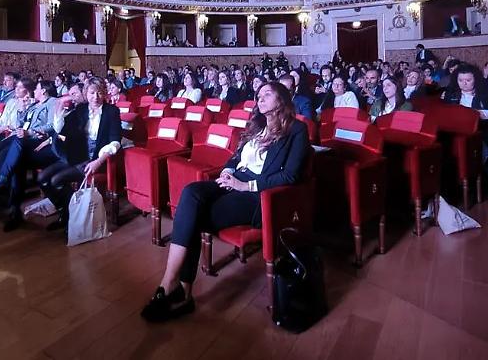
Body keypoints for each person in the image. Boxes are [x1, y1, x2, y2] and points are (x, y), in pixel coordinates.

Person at [141, 82, 309, 322]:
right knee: (191, 193)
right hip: (235, 180)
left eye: (267, 94)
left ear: (282, 99)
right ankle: (173, 285)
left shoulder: (296, 130)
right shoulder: (257, 126)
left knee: (193, 216)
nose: (260, 99)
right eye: (258, 95)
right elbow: (236, 156)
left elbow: (290, 175)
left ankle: (175, 289)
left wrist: (245, 186)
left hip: (256, 193)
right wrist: (228, 171)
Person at [39, 78, 122, 232]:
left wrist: (98, 161)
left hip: (95, 158)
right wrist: (59, 112)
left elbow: (115, 142)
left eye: (99, 93)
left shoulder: (112, 111)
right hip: (76, 154)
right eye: (91, 93)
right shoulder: (81, 110)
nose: (95, 97)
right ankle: (67, 211)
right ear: (86, 93)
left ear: (104, 93)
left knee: (57, 180)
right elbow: (62, 131)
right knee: (42, 178)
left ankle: (69, 216)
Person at [442, 64, 488, 176]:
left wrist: (475, 113)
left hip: (480, 129)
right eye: (460, 80)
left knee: (475, 135)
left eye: (468, 80)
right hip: (455, 130)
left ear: (476, 80)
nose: (464, 83)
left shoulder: (487, 94)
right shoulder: (450, 95)